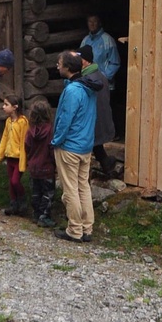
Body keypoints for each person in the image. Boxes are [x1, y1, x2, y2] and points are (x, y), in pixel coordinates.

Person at [52, 50, 101, 243]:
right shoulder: (88, 86)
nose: (57, 65)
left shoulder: (73, 91)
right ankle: (87, 228)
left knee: (70, 189)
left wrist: (56, 140)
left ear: (68, 68)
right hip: (85, 145)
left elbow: (65, 119)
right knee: (83, 187)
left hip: (70, 146)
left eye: (59, 63)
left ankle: (74, 229)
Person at [76, 45, 116, 175]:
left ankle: (86, 174)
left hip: (94, 119)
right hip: (99, 118)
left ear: (85, 61)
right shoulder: (99, 75)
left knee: (89, 146)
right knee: (97, 146)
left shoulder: (89, 78)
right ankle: (107, 167)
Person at [0, 94, 28, 216]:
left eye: (6, 104)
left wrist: (24, 160)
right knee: (11, 182)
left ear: (15, 107)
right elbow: (4, 138)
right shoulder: (8, 121)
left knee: (15, 181)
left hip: (18, 158)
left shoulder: (23, 122)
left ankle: (22, 201)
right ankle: (13, 205)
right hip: (10, 157)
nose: (3, 107)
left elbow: (24, 142)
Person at [25, 99, 56, 228]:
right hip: (46, 167)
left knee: (35, 191)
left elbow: (26, 146)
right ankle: (44, 216)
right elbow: (51, 148)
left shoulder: (30, 131)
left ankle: (36, 213)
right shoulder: (50, 130)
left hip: (33, 167)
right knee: (48, 193)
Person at [80, 14, 120, 89]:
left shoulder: (108, 40)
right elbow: (79, 59)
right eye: (90, 21)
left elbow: (115, 63)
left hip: (105, 86)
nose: (92, 24)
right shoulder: (85, 40)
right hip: (88, 84)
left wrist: (103, 77)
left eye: (95, 21)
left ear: (100, 23)